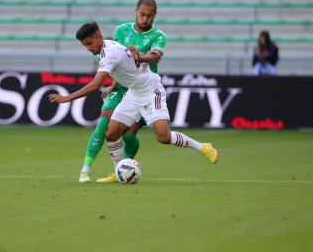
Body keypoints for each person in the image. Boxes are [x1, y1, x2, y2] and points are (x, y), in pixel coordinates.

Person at [49, 21, 218, 174]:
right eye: (84, 45)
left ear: (98, 37)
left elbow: (95, 84)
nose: (88, 48)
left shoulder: (109, 53)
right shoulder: (106, 47)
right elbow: (125, 70)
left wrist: (67, 98)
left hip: (152, 91)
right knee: (112, 133)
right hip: (133, 93)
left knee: (163, 137)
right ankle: (119, 171)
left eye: (89, 43)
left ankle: (203, 147)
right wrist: (113, 87)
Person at [78, 0, 168, 183]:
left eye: (149, 16)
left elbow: (153, 58)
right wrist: (112, 86)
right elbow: (121, 61)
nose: (145, 19)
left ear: (155, 16)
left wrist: (141, 57)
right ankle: (85, 171)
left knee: (128, 135)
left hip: (143, 88)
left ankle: (124, 170)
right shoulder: (121, 30)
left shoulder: (159, 36)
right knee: (104, 126)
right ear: (136, 11)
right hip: (120, 87)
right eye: (142, 14)